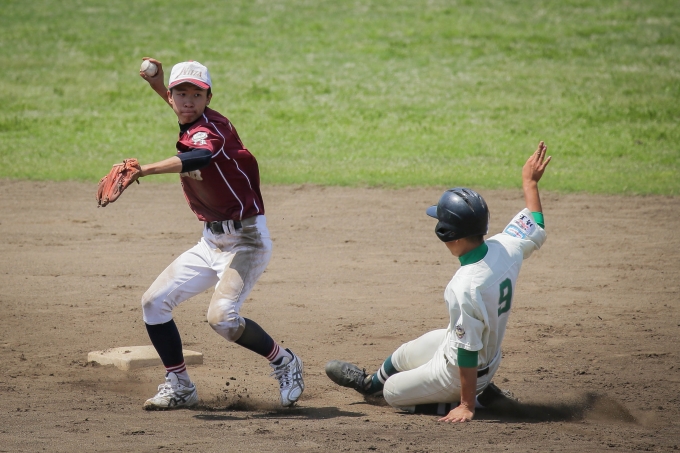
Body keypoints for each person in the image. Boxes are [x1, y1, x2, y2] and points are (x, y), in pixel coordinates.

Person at [118, 58, 304, 409]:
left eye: (197, 95)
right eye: (181, 94)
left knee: (222, 319)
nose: (188, 101)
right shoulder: (189, 118)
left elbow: (199, 157)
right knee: (153, 303)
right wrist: (157, 85)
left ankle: (285, 361)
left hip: (246, 242)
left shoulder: (212, 131)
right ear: (172, 97)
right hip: (210, 242)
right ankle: (180, 386)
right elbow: (182, 111)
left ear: (208, 98)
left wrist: (144, 169)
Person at [325, 142, 552, 422]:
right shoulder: (506, 246)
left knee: (393, 393)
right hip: (485, 355)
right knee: (407, 353)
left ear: (448, 234)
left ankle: (478, 400)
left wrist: (466, 404)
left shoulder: (465, 286)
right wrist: (530, 183)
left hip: (463, 372)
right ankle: (369, 383)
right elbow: (536, 225)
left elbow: (467, 352)